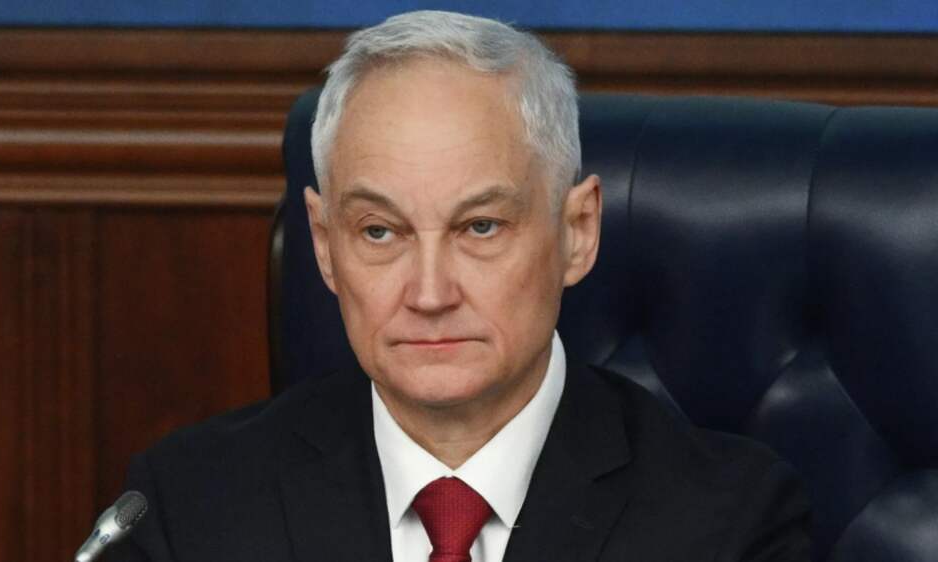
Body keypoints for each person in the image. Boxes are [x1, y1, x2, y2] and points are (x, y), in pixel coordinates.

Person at [109, 10, 810, 562]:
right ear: (323, 245)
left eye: (480, 227)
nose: (430, 293)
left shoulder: (729, 523)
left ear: (577, 231)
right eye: (379, 232)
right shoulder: (188, 507)